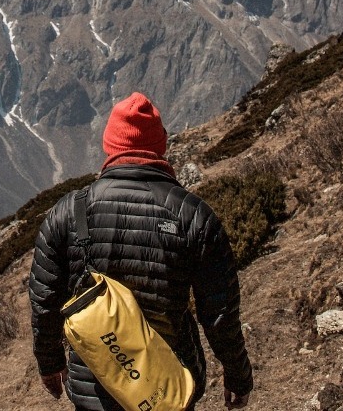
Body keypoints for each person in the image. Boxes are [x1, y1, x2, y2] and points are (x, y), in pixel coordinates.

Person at [29, 92, 254, 410]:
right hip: (167, 382)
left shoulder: (68, 212)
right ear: (160, 145)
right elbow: (219, 315)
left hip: (94, 380)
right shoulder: (192, 215)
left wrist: (49, 363)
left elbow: (44, 302)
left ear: (109, 145)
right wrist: (238, 375)